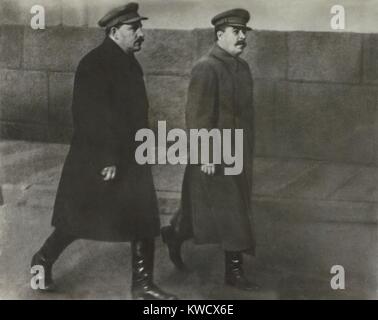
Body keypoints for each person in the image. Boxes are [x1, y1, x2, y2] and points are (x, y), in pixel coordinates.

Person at [30, 2, 177, 300]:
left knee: (143, 218)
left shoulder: (128, 62)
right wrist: (106, 159)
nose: (141, 33)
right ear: (114, 31)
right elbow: (89, 116)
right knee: (78, 219)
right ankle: (42, 260)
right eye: (133, 28)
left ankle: (142, 285)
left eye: (140, 27)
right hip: (100, 158)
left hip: (132, 155)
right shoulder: (94, 63)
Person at [161, 8, 259, 291]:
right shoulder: (207, 66)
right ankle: (234, 271)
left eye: (244, 33)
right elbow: (198, 115)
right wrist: (205, 153)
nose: (242, 38)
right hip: (215, 155)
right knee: (233, 211)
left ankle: (175, 234)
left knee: (202, 212)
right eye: (236, 32)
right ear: (220, 35)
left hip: (237, 153)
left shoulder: (241, 67)